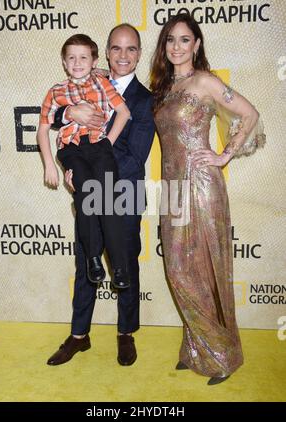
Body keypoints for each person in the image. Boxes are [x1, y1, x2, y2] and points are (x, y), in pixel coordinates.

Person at [150, 13, 265, 385]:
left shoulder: (205, 82)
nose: (176, 47)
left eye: (184, 40)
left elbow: (249, 114)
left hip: (200, 184)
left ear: (196, 45)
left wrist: (225, 153)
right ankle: (197, 348)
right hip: (172, 188)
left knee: (200, 269)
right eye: (170, 40)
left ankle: (223, 354)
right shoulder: (164, 87)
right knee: (180, 269)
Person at [46, 24, 155, 366]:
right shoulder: (90, 81)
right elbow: (57, 118)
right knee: (86, 260)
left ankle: (126, 333)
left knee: (124, 262)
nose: (123, 55)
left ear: (139, 53)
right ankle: (79, 335)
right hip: (91, 186)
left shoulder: (145, 99)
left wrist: (90, 174)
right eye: (117, 48)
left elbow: (136, 156)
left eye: (132, 49)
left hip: (122, 188)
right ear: (106, 52)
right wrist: (69, 121)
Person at [37, 34, 131, 291]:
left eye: (83, 57)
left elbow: (124, 112)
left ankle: (119, 266)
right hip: (72, 151)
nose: (77, 63)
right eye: (71, 58)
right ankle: (92, 259)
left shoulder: (102, 83)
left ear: (94, 61)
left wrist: (108, 142)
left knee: (109, 202)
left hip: (99, 147)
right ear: (64, 63)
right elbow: (43, 130)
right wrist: (49, 164)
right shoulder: (56, 92)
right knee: (87, 197)